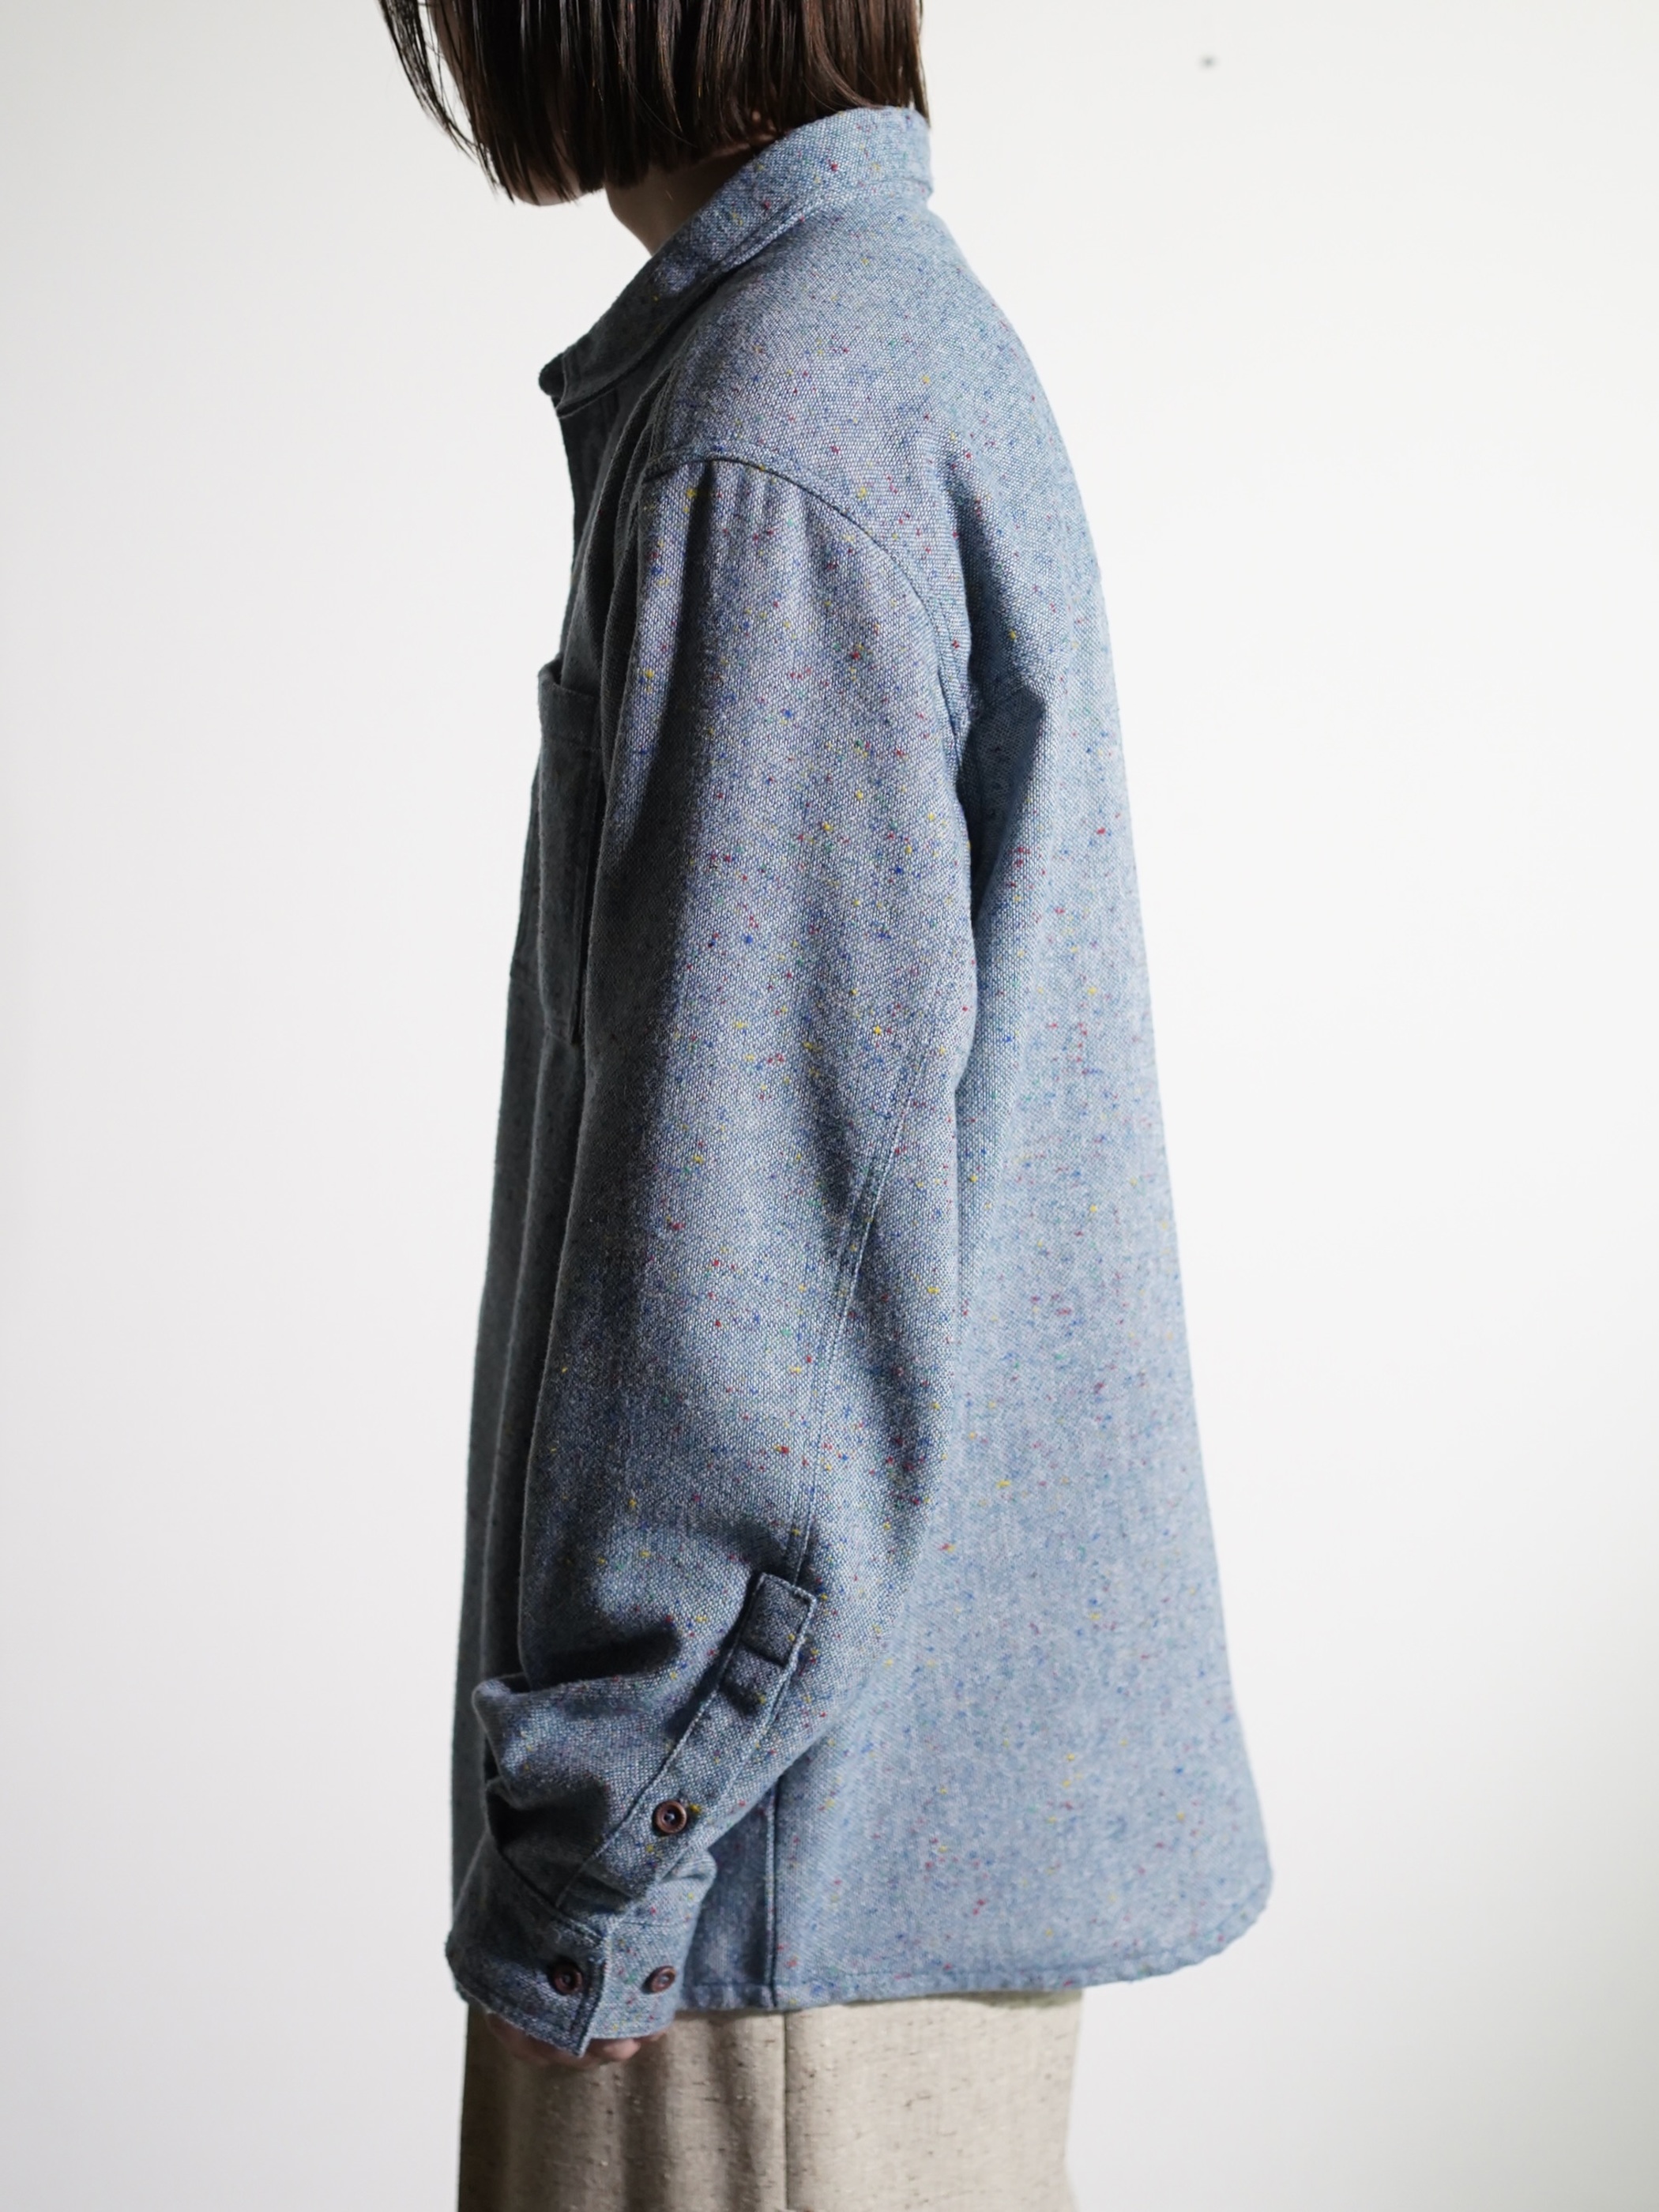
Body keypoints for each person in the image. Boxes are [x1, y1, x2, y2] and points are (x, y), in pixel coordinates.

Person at [374, 4, 1270, 2206]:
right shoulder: (872, 349)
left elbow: (757, 1253)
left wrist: (612, 1837)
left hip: (758, 1934)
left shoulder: (775, 425)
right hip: (825, 1904)